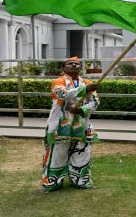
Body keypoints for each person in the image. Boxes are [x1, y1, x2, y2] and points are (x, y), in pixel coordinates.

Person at [42, 56, 99, 192]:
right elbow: (63, 94)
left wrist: (82, 109)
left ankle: (81, 180)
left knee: (82, 152)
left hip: (82, 125)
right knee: (57, 154)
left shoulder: (87, 82)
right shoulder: (57, 82)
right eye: (70, 63)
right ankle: (53, 182)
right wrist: (85, 90)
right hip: (60, 125)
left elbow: (95, 102)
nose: (74, 65)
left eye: (77, 64)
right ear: (63, 68)